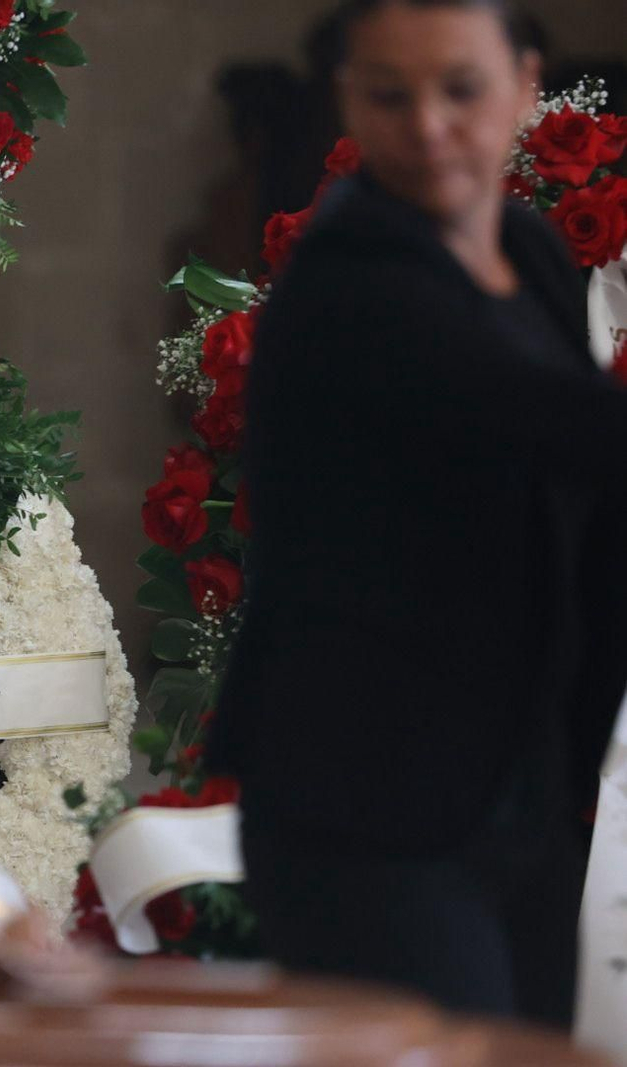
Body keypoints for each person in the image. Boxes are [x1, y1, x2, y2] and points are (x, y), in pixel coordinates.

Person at [209, 0, 627, 1027]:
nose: (428, 125)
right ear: (349, 98)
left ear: (527, 85)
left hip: (506, 786)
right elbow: (567, 427)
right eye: (390, 96)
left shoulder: (526, 252)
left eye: (461, 88)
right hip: (364, 800)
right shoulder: (351, 281)